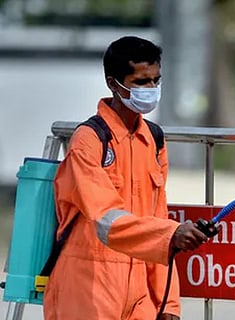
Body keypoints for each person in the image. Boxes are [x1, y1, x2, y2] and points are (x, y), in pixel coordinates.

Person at [43, 36, 208, 320]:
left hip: (138, 286)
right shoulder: (89, 140)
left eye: (156, 80)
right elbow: (105, 217)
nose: (151, 90)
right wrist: (171, 235)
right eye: (140, 82)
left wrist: (168, 303)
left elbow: (157, 218)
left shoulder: (154, 140)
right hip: (88, 281)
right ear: (113, 83)